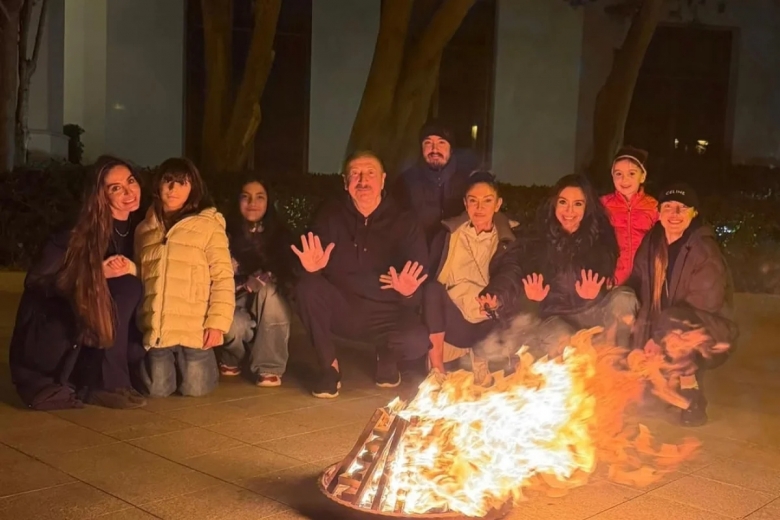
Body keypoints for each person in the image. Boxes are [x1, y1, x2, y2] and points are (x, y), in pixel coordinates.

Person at [9, 156, 147, 409]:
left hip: (110, 323)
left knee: (130, 287)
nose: (129, 192)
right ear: (101, 195)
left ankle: (112, 377)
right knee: (127, 287)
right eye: (116, 188)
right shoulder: (78, 229)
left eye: (131, 181)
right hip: (61, 320)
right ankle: (104, 383)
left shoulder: (142, 226)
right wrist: (95, 273)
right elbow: (37, 281)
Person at [294, 150, 430, 399]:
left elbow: (418, 283)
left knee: (416, 340)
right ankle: (329, 367)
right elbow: (311, 256)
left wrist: (408, 292)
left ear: (383, 179)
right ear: (345, 182)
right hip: (342, 307)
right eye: (355, 174)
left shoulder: (405, 220)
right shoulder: (330, 214)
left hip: (385, 314)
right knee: (307, 286)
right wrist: (311, 268)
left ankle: (386, 356)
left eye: (370, 173)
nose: (363, 181)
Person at [629, 183, 738, 427]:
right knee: (644, 397)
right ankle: (667, 381)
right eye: (668, 207)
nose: (674, 214)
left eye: (682, 208)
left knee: (672, 322)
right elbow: (642, 294)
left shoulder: (704, 250)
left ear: (694, 213)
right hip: (663, 329)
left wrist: (657, 339)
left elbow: (705, 305)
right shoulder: (652, 244)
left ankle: (692, 397)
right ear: (659, 212)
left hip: (710, 332)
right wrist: (639, 345)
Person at [135, 157, 235, 398]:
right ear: (158, 185)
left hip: (194, 328)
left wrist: (216, 324)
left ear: (194, 188)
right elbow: (141, 276)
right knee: (156, 390)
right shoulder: (145, 229)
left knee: (195, 389)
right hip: (158, 330)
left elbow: (223, 277)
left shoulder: (208, 226)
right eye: (168, 181)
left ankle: (204, 362)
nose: (173, 188)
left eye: (182, 182)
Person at [519, 174, 638, 357]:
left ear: (587, 207)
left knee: (625, 298)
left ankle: (616, 359)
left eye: (578, 204)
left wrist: (596, 286)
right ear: (554, 204)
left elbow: (604, 261)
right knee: (566, 343)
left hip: (594, 309)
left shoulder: (599, 234)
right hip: (556, 316)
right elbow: (521, 275)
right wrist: (531, 298)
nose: (569, 211)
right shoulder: (537, 237)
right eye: (563, 202)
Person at [424, 171, 525, 382]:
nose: (479, 208)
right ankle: (437, 368)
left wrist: (496, 297)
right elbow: (430, 272)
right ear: (465, 203)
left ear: (497, 204)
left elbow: (510, 272)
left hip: (485, 317)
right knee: (432, 290)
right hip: (453, 319)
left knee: (512, 305)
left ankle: (480, 360)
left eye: (487, 201)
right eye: (473, 201)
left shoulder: (507, 239)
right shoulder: (449, 234)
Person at [217, 175, 295, 387]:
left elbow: (289, 275)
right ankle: (233, 356)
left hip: (267, 304)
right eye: (246, 197)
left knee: (271, 291)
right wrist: (245, 284)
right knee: (233, 325)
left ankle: (268, 366)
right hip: (234, 300)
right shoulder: (223, 233)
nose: (253, 203)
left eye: (260, 197)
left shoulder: (280, 235)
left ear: (269, 201)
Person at [392, 119, 480, 244]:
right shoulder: (405, 183)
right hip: (419, 253)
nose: (434, 149)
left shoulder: (468, 182)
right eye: (428, 143)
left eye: (441, 143)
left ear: (451, 149)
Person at [601, 146, 659, 286]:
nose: (624, 179)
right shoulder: (603, 204)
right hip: (612, 279)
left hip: (644, 279)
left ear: (642, 176)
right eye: (618, 174)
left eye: (632, 173)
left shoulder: (654, 206)